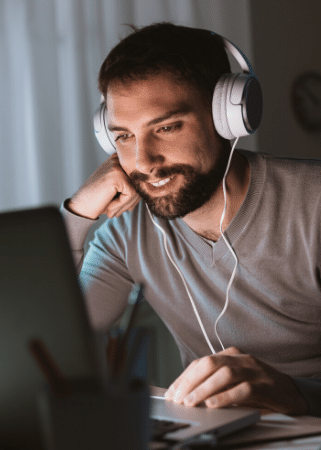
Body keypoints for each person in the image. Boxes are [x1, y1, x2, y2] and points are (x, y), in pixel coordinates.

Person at [60, 22, 321, 416]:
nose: (143, 162)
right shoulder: (127, 233)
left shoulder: (314, 206)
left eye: (165, 128)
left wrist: (295, 395)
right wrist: (78, 212)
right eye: (124, 137)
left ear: (228, 117)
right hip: (207, 433)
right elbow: (47, 339)